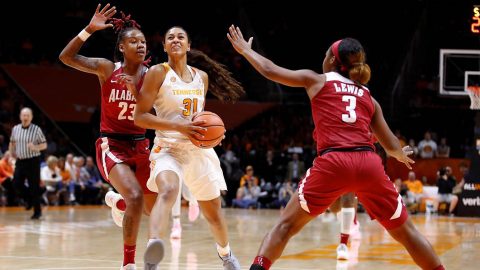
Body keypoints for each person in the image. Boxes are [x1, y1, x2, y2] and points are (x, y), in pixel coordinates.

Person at [227, 25, 444, 270]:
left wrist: (246, 50)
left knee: (285, 227)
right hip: (368, 163)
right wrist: (399, 154)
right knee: (407, 233)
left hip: (333, 163)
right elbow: (392, 146)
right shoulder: (368, 96)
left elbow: (269, 69)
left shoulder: (316, 80)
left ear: (330, 60)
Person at [133, 26, 244, 270]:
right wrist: (178, 127)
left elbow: (199, 118)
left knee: (213, 213)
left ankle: (226, 255)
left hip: (197, 151)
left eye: (180, 36)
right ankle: (153, 253)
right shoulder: (156, 73)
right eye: (169, 37)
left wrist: (213, 135)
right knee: (169, 190)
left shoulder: (201, 77)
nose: (175, 40)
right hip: (168, 147)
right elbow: (139, 117)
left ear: (188, 45)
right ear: (164, 47)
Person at [59, 4, 156, 269]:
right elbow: (66, 58)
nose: (140, 45)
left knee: (151, 210)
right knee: (137, 198)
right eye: (133, 41)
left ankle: (118, 201)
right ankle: (128, 264)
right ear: (122, 47)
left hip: (141, 146)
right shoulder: (106, 69)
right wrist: (88, 30)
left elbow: (157, 113)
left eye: (143, 41)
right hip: (111, 144)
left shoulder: (153, 76)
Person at [9, 107, 47, 219]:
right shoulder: (15, 129)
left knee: (34, 186)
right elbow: (12, 143)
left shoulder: (36, 129)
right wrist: (11, 154)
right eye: (23, 115)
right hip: (20, 161)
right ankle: (29, 200)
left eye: (27, 115)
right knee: (16, 183)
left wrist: (35, 147)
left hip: (33, 161)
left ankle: (37, 212)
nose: (25, 117)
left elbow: (44, 145)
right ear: (20, 116)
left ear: (31, 117)